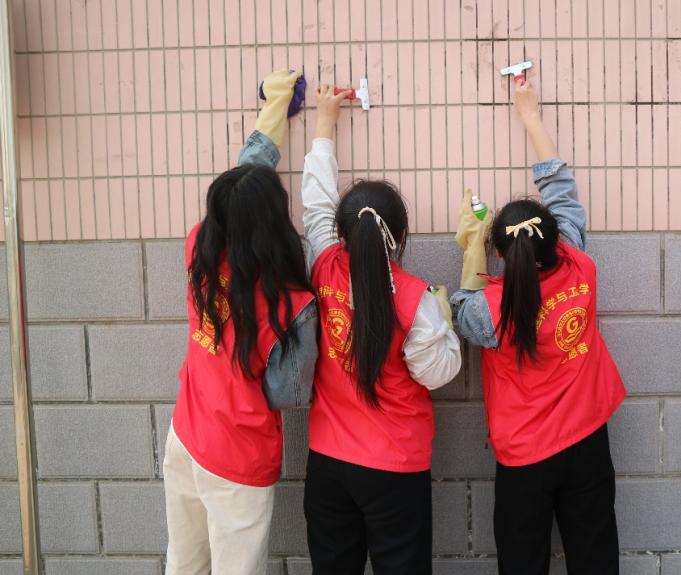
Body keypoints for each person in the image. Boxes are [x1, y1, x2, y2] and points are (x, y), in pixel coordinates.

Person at [450, 78, 626, 575]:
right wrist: (530, 116)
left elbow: (461, 308)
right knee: (596, 559)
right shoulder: (579, 264)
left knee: (522, 564)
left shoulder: (490, 310)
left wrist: (472, 247)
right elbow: (563, 195)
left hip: (525, 457)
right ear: (553, 241)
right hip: (588, 442)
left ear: (502, 253)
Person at [300, 84, 462, 574]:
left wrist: (324, 123)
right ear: (402, 236)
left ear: (342, 233)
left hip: (328, 464)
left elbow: (316, 206)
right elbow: (437, 373)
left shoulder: (324, 265)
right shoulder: (416, 301)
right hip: (394, 469)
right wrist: (446, 320)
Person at [164, 69, 318, 575]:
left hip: (186, 438)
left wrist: (276, 104)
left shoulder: (200, 248)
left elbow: (245, 176)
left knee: (183, 564)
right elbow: (288, 394)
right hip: (238, 458)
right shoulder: (290, 304)